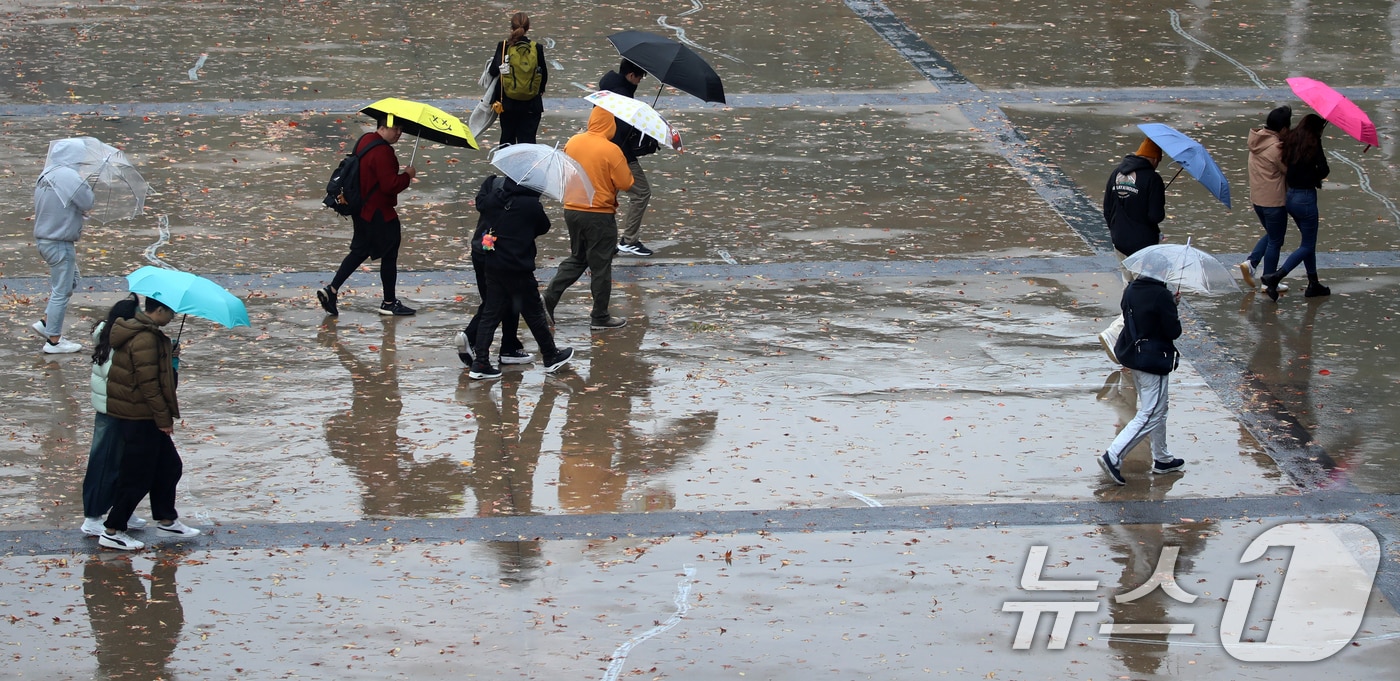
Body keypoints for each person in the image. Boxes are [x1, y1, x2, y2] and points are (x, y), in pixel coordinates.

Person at [100, 296, 201, 550]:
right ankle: (113, 530)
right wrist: (163, 419)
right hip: (140, 417)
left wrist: (170, 358)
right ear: (159, 310)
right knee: (137, 476)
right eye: (171, 313)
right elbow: (149, 386)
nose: (173, 317)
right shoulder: (145, 338)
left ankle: (167, 520)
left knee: (170, 467)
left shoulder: (148, 335)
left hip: (142, 414)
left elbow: (157, 376)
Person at [467, 175, 575, 380]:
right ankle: (550, 355)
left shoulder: (494, 198)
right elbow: (544, 227)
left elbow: (483, 206)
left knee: (490, 314)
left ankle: (480, 362)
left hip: (493, 263)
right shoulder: (530, 205)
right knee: (534, 312)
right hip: (517, 266)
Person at [542, 107, 634, 330]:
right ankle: (600, 317)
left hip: (572, 210)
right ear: (610, 125)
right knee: (601, 266)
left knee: (578, 258)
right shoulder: (612, 150)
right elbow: (626, 183)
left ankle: (548, 298)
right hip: (599, 214)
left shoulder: (574, 141)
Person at [317, 121, 418, 317]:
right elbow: (390, 185)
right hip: (380, 213)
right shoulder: (383, 151)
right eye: (395, 128)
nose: (398, 133)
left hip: (361, 209)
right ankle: (388, 303)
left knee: (360, 251)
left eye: (401, 129)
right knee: (389, 255)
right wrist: (407, 176)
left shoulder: (366, 140)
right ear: (383, 127)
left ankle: (332, 290)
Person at [1097, 273, 1184, 485]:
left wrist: (1168, 304)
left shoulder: (1132, 289)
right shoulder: (1161, 295)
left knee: (1158, 408)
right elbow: (1173, 331)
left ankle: (1162, 458)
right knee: (1151, 412)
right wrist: (1171, 307)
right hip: (1152, 359)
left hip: (1134, 356)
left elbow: (1143, 315)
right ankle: (1113, 456)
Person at [80, 295, 152, 536]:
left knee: (122, 463)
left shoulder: (111, 336)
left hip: (119, 409)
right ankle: (92, 516)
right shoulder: (118, 341)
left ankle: (120, 511)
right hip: (111, 410)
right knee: (103, 463)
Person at [1097, 137, 1166, 364]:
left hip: (1119, 242)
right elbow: (1155, 216)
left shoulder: (1117, 173)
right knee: (1144, 296)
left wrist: (1118, 228)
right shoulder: (1153, 179)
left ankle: (1129, 341)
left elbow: (1107, 209)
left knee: (1130, 289)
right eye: (1158, 160)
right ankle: (1115, 334)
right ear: (1154, 158)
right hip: (1142, 247)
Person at [455, 174, 531, 368]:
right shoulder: (523, 191)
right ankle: (472, 336)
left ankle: (509, 345)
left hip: (481, 248)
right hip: (504, 254)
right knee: (498, 301)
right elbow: (538, 223)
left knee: (496, 300)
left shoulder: (491, 183)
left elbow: (481, 205)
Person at [31, 138, 96, 354]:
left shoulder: (48, 173)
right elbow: (87, 201)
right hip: (59, 242)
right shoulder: (69, 176)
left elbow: (60, 205)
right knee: (62, 290)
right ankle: (54, 340)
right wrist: (85, 184)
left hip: (45, 239)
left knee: (72, 279)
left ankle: (46, 322)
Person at [1262, 113, 1331, 301]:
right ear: (1317, 129)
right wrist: (1313, 176)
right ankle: (1276, 277)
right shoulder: (1313, 142)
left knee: (1308, 243)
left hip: (1290, 196)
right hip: (1306, 199)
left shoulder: (1292, 138)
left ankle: (1313, 283)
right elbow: (1324, 169)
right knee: (1307, 245)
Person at [599, 59, 660, 257]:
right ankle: (629, 240)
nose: (640, 81)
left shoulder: (609, 88)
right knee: (641, 193)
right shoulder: (622, 95)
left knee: (608, 196)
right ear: (631, 75)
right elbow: (622, 130)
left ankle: (603, 241)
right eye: (639, 77)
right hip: (620, 153)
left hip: (602, 149)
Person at [1239, 106, 1293, 294]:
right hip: (1274, 202)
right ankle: (1268, 280)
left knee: (1272, 235)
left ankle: (1252, 263)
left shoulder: (1257, 140)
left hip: (1258, 200)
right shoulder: (1276, 148)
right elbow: (1288, 170)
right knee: (1276, 240)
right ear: (1283, 128)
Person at [488, 12, 547, 145]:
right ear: (528, 28)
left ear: (511, 27)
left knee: (507, 140)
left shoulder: (504, 46)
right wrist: (537, 90)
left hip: (508, 104)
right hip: (532, 105)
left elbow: (493, 71)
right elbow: (543, 74)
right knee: (528, 142)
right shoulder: (536, 48)